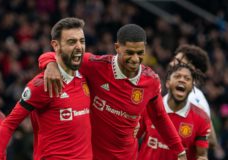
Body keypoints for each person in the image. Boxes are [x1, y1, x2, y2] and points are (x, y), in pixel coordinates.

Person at [38, 24, 187, 160]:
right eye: (129, 52)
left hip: (126, 156)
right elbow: (57, 54)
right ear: (117, 47)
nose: (135, 59)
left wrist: (179, 150)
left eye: (140, 53)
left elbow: (160, 117)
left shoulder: (151, 81)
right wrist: (50, 64)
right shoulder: (96, 66)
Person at [0, 17, 92, 160]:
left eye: (82, 41)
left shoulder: (87, 75)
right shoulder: (42, 84)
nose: (79, 47)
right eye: (71, 42)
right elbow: (8, 124)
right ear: (56, 45)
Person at [137, 64, 211, 160]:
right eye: (177, 76)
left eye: (187, 78)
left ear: (192, 87)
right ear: (168, 83)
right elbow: (132, 138)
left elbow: (201, 155)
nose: (182, 80)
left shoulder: (201, 118)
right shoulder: (149, 106)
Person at [169, 44, 225, 158]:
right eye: (174, 59)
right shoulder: (181, 91)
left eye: (178, 61)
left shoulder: (193, 97)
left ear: (192, 69)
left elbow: (211, 140)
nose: (171, 63)